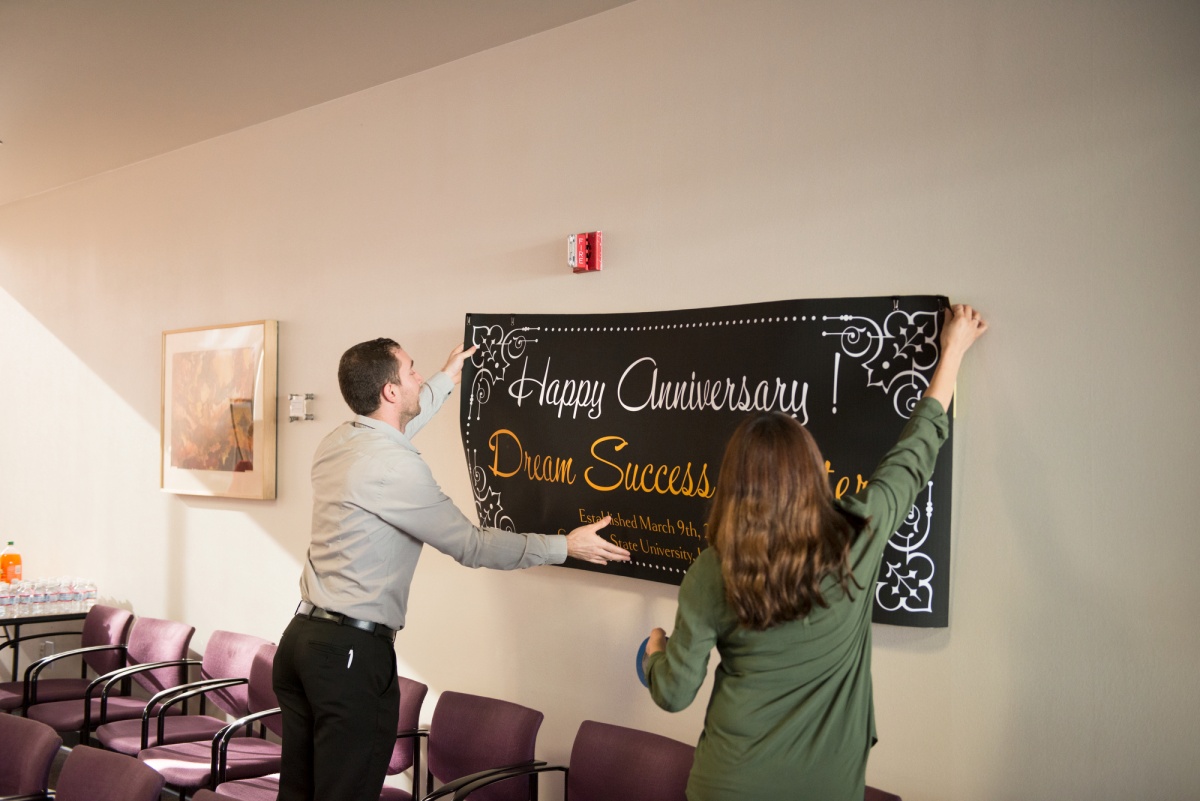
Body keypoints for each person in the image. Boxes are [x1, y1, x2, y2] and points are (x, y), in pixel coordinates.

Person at [642, 304, 988, 801]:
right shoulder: (857, 534)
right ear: (813, 472)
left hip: (728, 785)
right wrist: (952, 350)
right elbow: (914, 456)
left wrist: (655, 653)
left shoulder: (712, 570)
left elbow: (674, 692)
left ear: (733, 485)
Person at [273, 337, 630, 801]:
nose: (418, 376)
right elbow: (471, 544)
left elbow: (398, 431)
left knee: (299, 795)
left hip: (302, 643)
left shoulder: (341, 441)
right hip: (350, 657)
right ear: (390, 392)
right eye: (412, 371)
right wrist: (565, 546)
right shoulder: (395, 467)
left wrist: (445, 380)